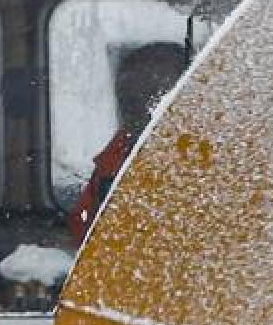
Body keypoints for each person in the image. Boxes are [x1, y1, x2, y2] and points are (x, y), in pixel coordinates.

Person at [67, 41, 187, 243]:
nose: (134, 105)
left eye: (149, 92)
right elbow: (82, 227)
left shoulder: (196, 160)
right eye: (130, 96)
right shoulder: (119, 152)